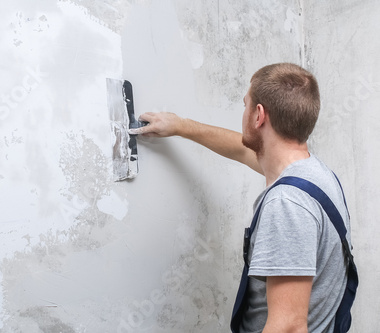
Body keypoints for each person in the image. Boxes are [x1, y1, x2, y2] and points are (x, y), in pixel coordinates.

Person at [129, 63, 352, 332]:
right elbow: (244, 149)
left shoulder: (287, 204)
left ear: (258, 115)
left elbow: (289, 326)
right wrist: (181, 125)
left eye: (245, 105)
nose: (243, 112)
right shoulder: (316, 175)